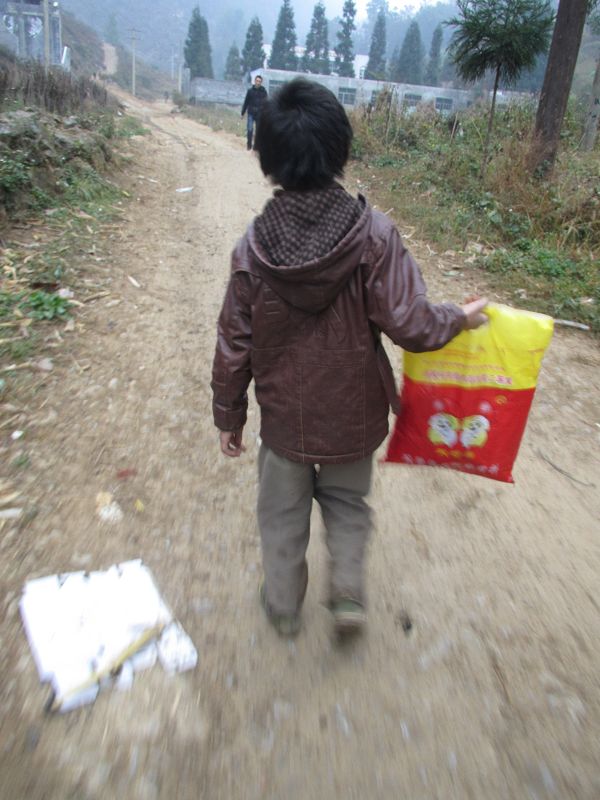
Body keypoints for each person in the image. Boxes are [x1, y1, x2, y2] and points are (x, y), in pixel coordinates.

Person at [212, 78, 487, 638]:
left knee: (281, 514)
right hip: (354, 416)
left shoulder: (253, 248)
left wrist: (229, 415)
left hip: (284, 422)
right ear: (341, 150)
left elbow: (233, 343)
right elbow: (411, 323)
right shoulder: (374, 236)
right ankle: (347, 597)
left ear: (267, 159)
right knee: (347, 505)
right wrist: (458, 317)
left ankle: (283, 606)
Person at [241, 74, 268, 151]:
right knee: (250, 129)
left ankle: (256, 146)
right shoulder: (250, 91)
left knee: (258, 131)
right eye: (257, 81)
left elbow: (266, 103)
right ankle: (249, 145)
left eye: (259, 81)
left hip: (259, 114)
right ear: (254, 81)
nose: (258, 82)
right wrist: (243, 113)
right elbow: (246, 102)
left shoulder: (264, 92)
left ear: (261, 82)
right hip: (251, 113)